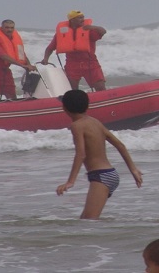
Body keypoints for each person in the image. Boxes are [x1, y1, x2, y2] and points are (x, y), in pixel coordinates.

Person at [55, 89, 143, 219]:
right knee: (85, 220)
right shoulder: (94, 121)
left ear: (64, 108)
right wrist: (133, 169)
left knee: (89, 222)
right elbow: (120, 145)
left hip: (101, 176)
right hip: (109, 174)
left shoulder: (77, 126)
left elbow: (81, 154)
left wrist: (70, 182)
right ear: (87, 106)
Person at [41, 10, 107, 91]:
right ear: (72, 20)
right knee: (73, 89)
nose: (82, 19)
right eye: (79, 18)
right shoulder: (62, 33)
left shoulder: (88, 31)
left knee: (100, 86)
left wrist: (93, 27)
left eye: (83, 17)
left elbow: (103, 31)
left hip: (90, 62)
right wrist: (45, 58)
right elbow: (50, 48)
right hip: (72, 64)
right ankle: (75, 102)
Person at [0, 19, 36, 101]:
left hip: (5, 71)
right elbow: (3, 56)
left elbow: (22, 56)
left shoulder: (15, 40)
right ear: (2, 28)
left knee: (12, 96)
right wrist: (22, 65)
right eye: (7, 27)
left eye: (12, 28)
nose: (9, 30)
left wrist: (29, 66)